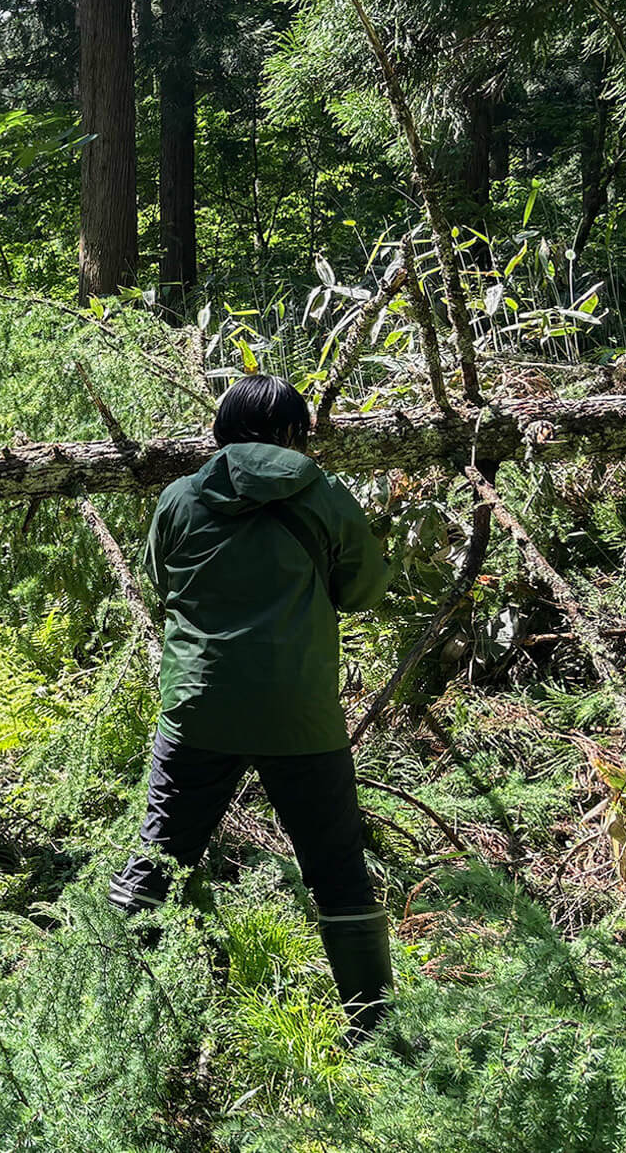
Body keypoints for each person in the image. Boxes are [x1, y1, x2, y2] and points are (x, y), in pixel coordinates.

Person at [109, 374, 393, 1038]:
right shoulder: (324, 494)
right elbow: (364, 589)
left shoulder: (179, 497)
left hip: (199, 704)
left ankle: (113, 1017)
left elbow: (160, 578)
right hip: (300, 710)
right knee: (337, 868)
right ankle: (375, 1032)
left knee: (159, 857)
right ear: (297, 432)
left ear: (222, 430)